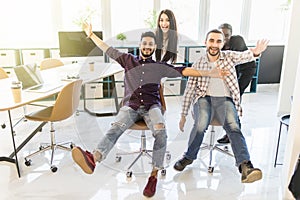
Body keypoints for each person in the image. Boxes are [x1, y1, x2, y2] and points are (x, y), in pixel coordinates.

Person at [71, 22, 229, 198]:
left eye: (150, 44)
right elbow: (107, 49)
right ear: (140, 45)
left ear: (154, 47)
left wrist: (211, 73)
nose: (147, 47)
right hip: (130, 106)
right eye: (144, 43)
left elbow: (184, 70)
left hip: (152, 106)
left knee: (161, 132)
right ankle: (94, 158)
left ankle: (153, 176)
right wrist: (91, 35)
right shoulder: (128, 60)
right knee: (115, 127)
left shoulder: (159, 66)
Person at [173, 29, 268, 184]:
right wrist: (183, 115)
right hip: (204, 99)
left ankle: (246, 167)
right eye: (211, 41)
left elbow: (245, 55)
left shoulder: (229, 56)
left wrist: (256, 52)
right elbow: (190, 90)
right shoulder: (199, 63)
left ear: (223, 43)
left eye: (218, 41)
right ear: (205, 42)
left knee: (233, 126)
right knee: (200, 124)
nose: (214, 45)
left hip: (225, 100)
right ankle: (188, 157)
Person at [217, 23, 257, 144]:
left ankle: (233, 134)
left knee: (233, 101)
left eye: (227, 35)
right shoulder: (220, 44)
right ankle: (231, 132)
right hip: (233, 75)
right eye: (222, 35)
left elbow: (236, 61)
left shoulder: (237, 41)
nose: (225, 38)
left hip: (245, 72)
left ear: (231, 34)